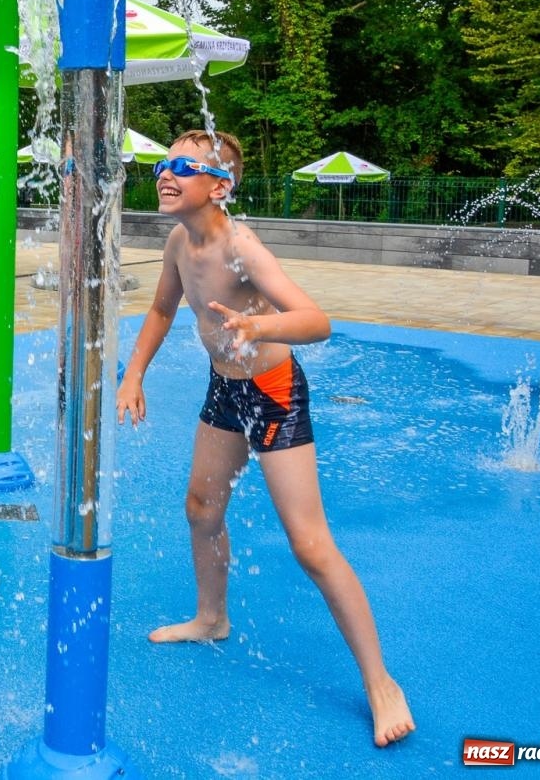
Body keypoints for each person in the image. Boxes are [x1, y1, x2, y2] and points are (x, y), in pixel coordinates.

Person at [115, 129, 415, 749]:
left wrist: (261, 323)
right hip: (225, 387)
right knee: (201, 509)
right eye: (162, 163)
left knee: (309, 544)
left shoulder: (241, 247)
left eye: (182, 166)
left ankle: (381, 681)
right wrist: (134, 372)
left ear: (219, 187)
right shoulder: (178, 241)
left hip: (274, 388)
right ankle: (211, 617)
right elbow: (163, 310)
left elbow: (318, 320)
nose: (164, 174)